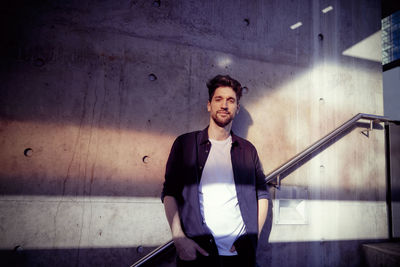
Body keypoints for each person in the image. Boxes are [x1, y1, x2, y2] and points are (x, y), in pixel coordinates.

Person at [162, 75, 269, 267]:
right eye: (218, 99)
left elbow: (262, 194)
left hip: (240, 254)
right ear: (209, 105)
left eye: (231, 100)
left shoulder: (247, 149)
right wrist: (179, 238)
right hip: (197, 251)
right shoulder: (185, 144)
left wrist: (253, 238)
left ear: (236, 108)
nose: (224, 105)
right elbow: (170, 192)